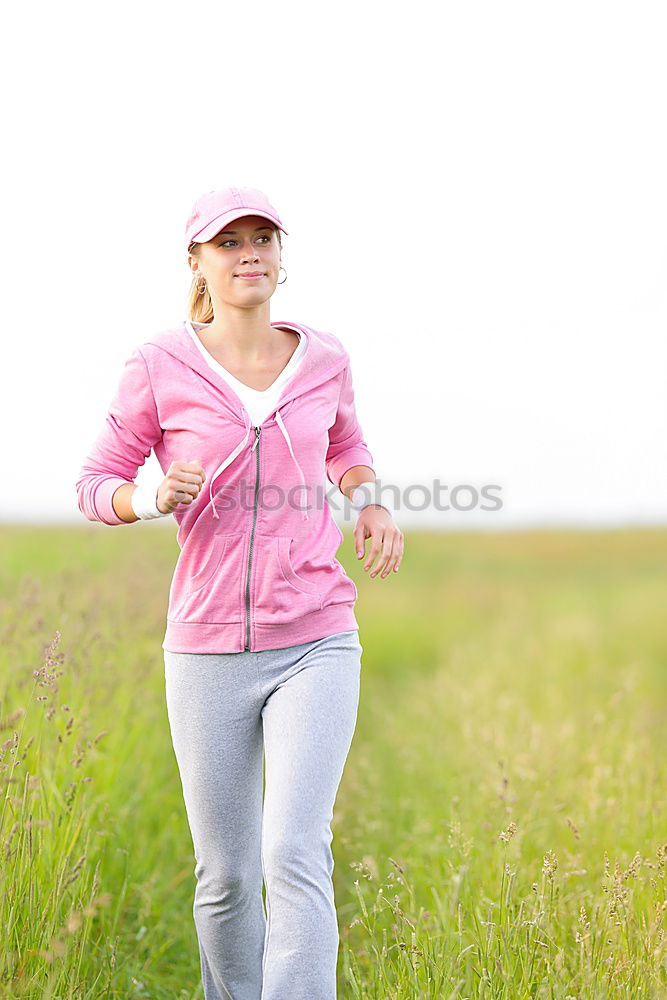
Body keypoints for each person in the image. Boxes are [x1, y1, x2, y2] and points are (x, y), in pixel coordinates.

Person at [76, 185, 404, 1000]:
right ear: (198, 262)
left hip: (316, 636)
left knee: (292, 849)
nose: (249, 251)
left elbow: (348, 443)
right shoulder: (159, 364)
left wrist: (367, 501)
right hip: (206, 646)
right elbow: (95, 484)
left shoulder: (323, 356)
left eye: (262, 238)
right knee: (224, 874)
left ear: (280, 257)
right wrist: (152, 497)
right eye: (228, 242)